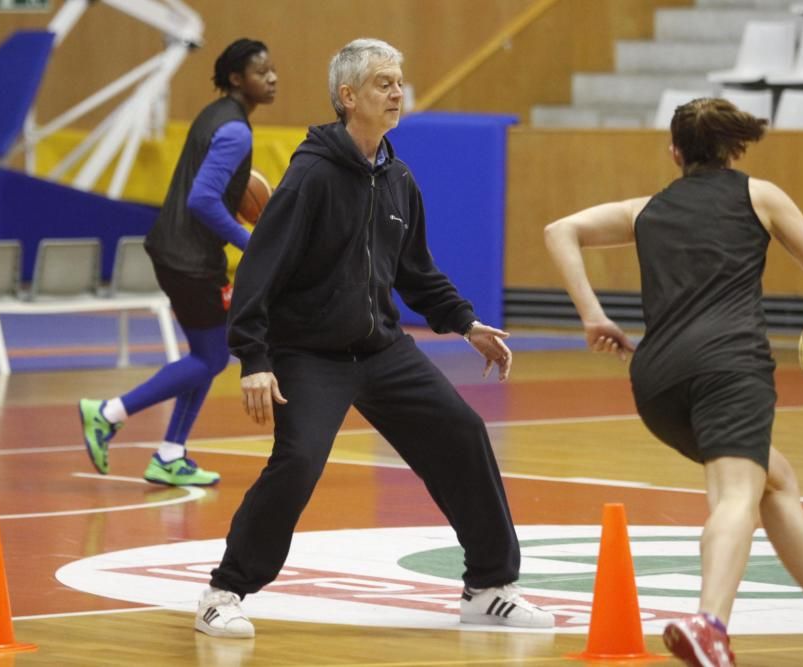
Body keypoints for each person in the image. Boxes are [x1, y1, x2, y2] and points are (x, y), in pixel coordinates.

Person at [192, 38, 554, 638]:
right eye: (383, 82)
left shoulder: (398, 178)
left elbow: (416, 271)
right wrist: (255, 359)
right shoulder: (309, 175)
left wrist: (466, 323)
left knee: (462, 434)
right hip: (309, 353)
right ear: (348, 95)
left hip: (382, 350)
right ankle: (223, 591)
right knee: (299, 463)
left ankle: (489, 587)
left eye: (398, 81)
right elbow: (260, 270)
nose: (396, 91)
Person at [544, 97, 803, 667]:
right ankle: (711, 625)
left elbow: (562, 230)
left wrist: (593, 316)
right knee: (736, 495)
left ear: (675, 151)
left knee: (774, 481)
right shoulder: (760, 195)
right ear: (735, 148)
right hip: (729, 367)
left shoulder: (646, 208)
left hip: (655, 384)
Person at [78, 39, 277, 487]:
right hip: (188, 258)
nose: (272, 78)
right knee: (211, 357)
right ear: (235, 79)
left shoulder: (214, 116)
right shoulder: (235, 131)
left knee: (209, 354)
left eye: (272, 71)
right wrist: (251, 242)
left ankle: (170, 453)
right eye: (261, 72)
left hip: (180, 252)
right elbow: (203, 198)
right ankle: (108, 413)